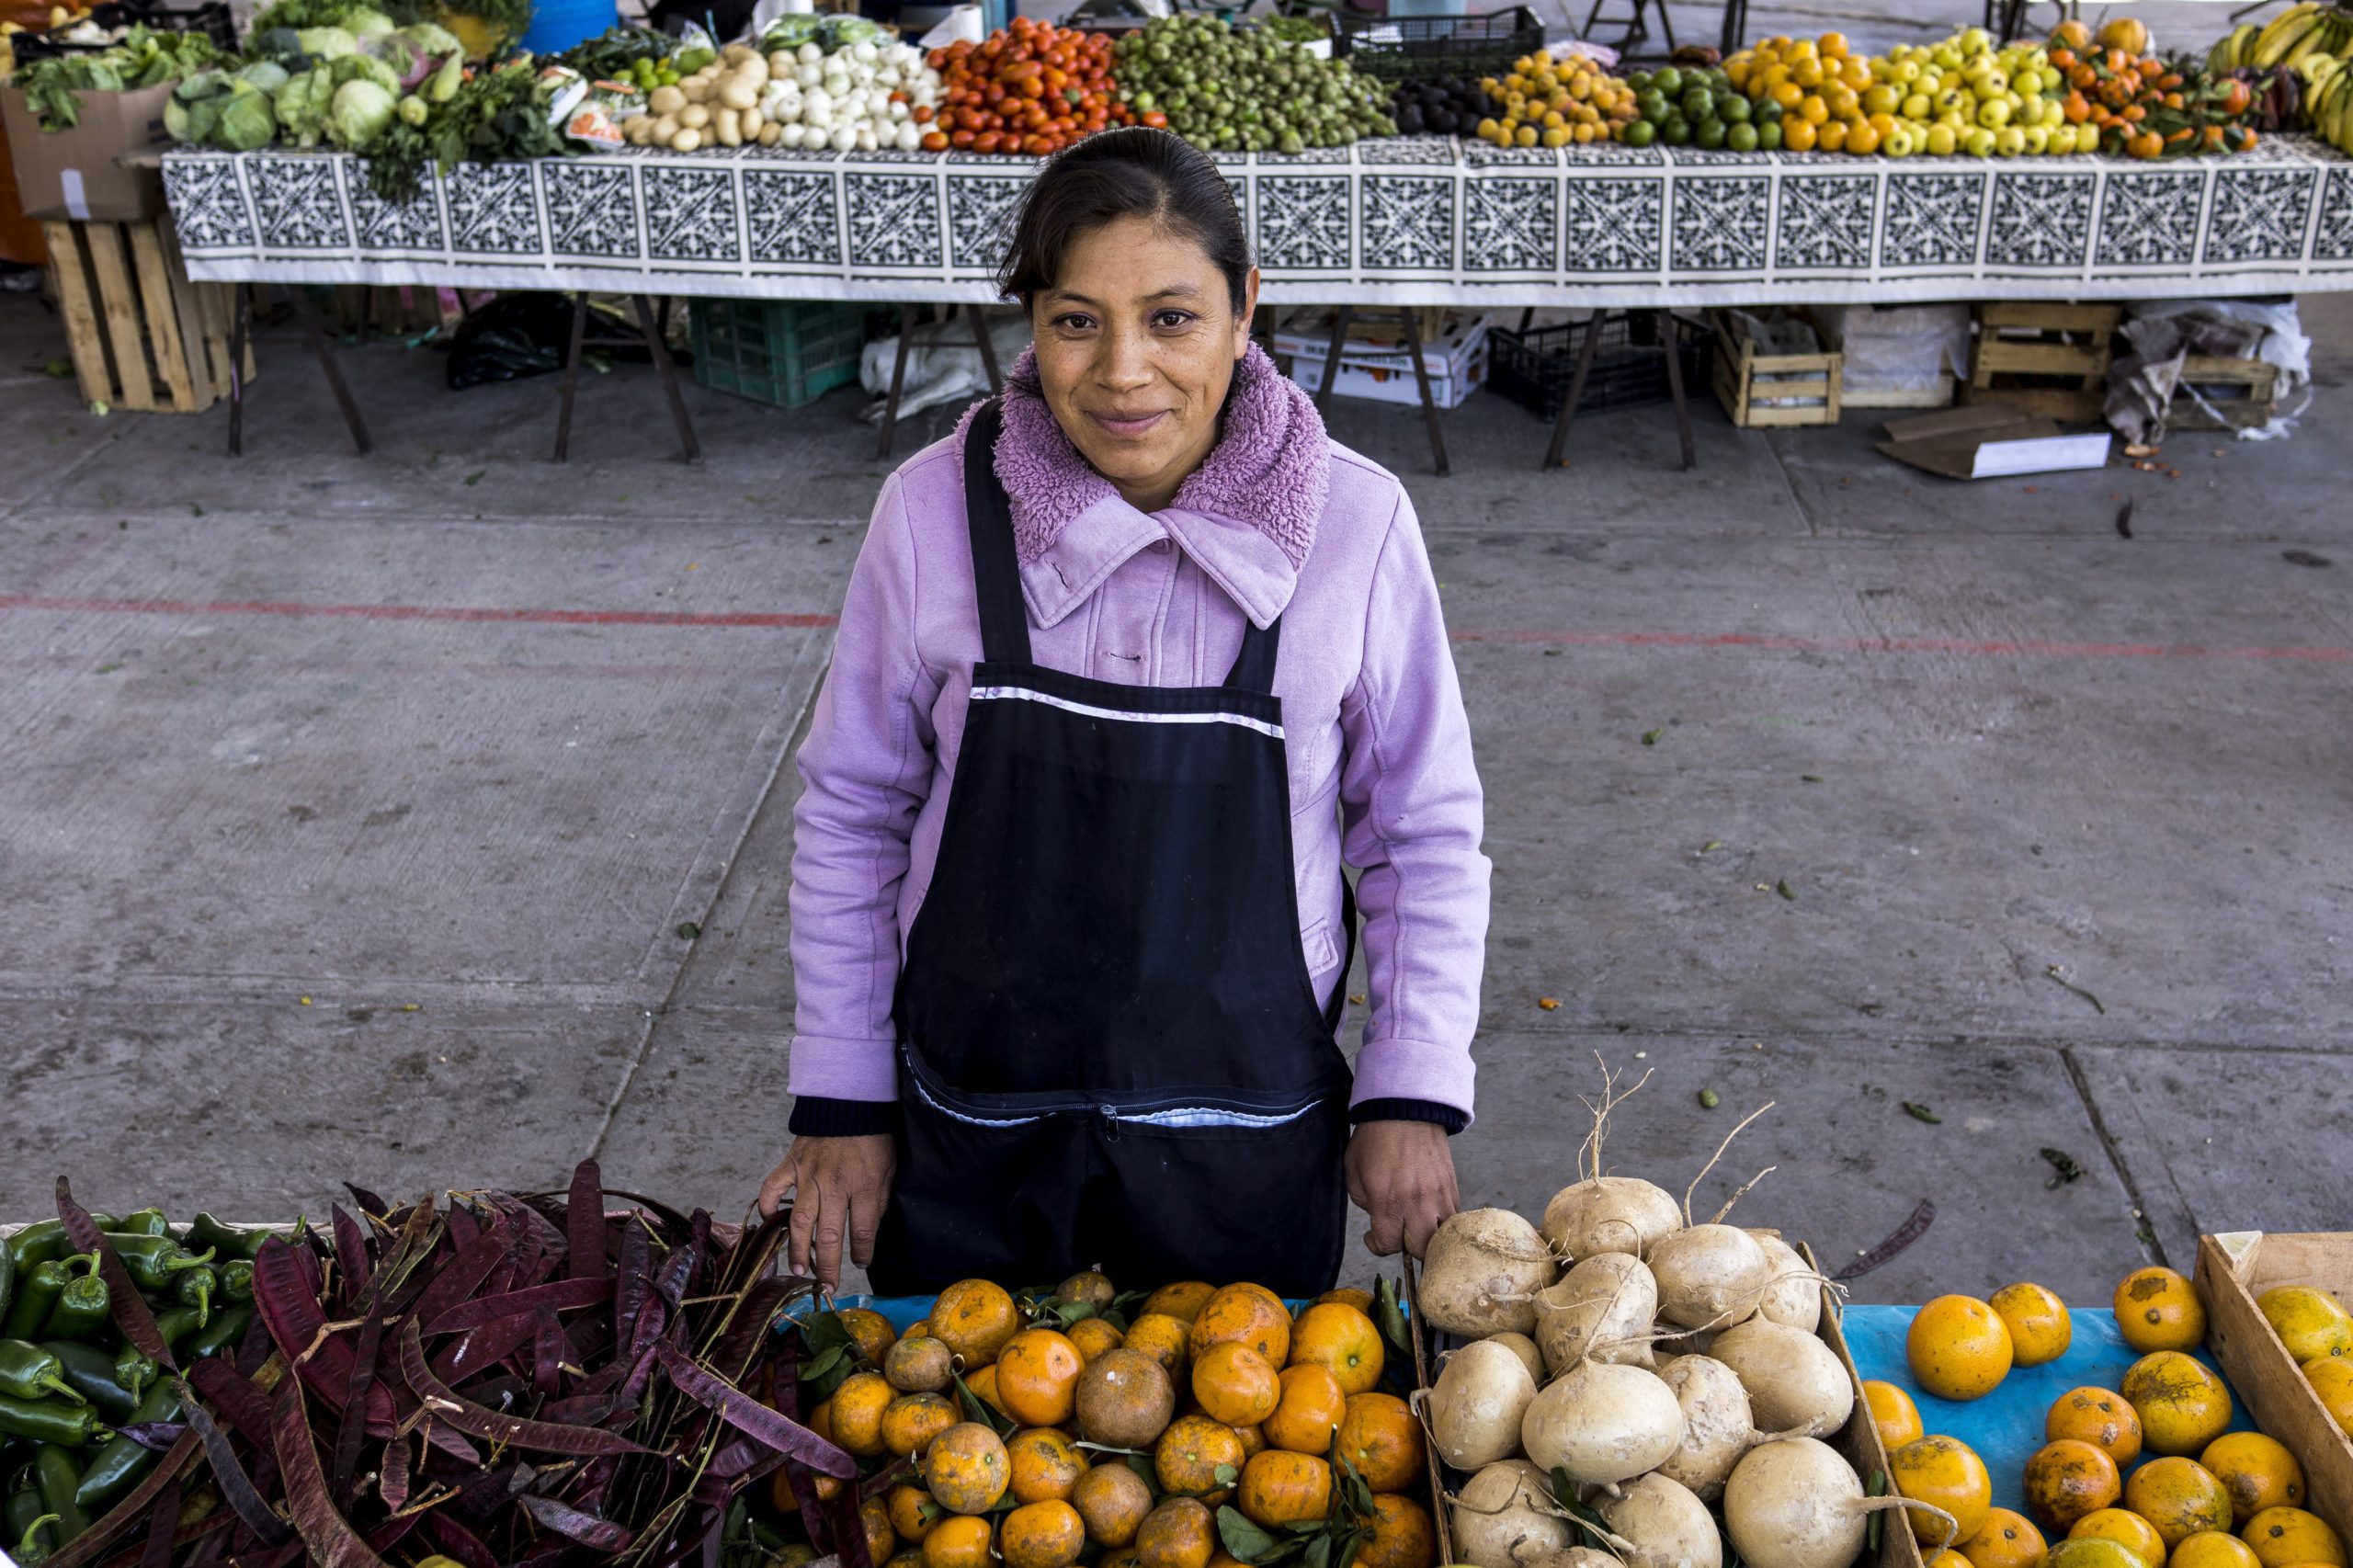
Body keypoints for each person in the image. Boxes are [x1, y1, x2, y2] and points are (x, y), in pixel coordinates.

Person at [758, 127, 1490, 1297]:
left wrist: (1408, 1083)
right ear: (1031, 324)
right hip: (970, 1117)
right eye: (1075, 319)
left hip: (1246, 1130)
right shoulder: (931, 513)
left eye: (1171, 317)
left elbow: (1422, 833)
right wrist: (842, 1090)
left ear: (1246, 310)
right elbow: (852, 809)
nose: (1123, 373)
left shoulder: (1357, 526)